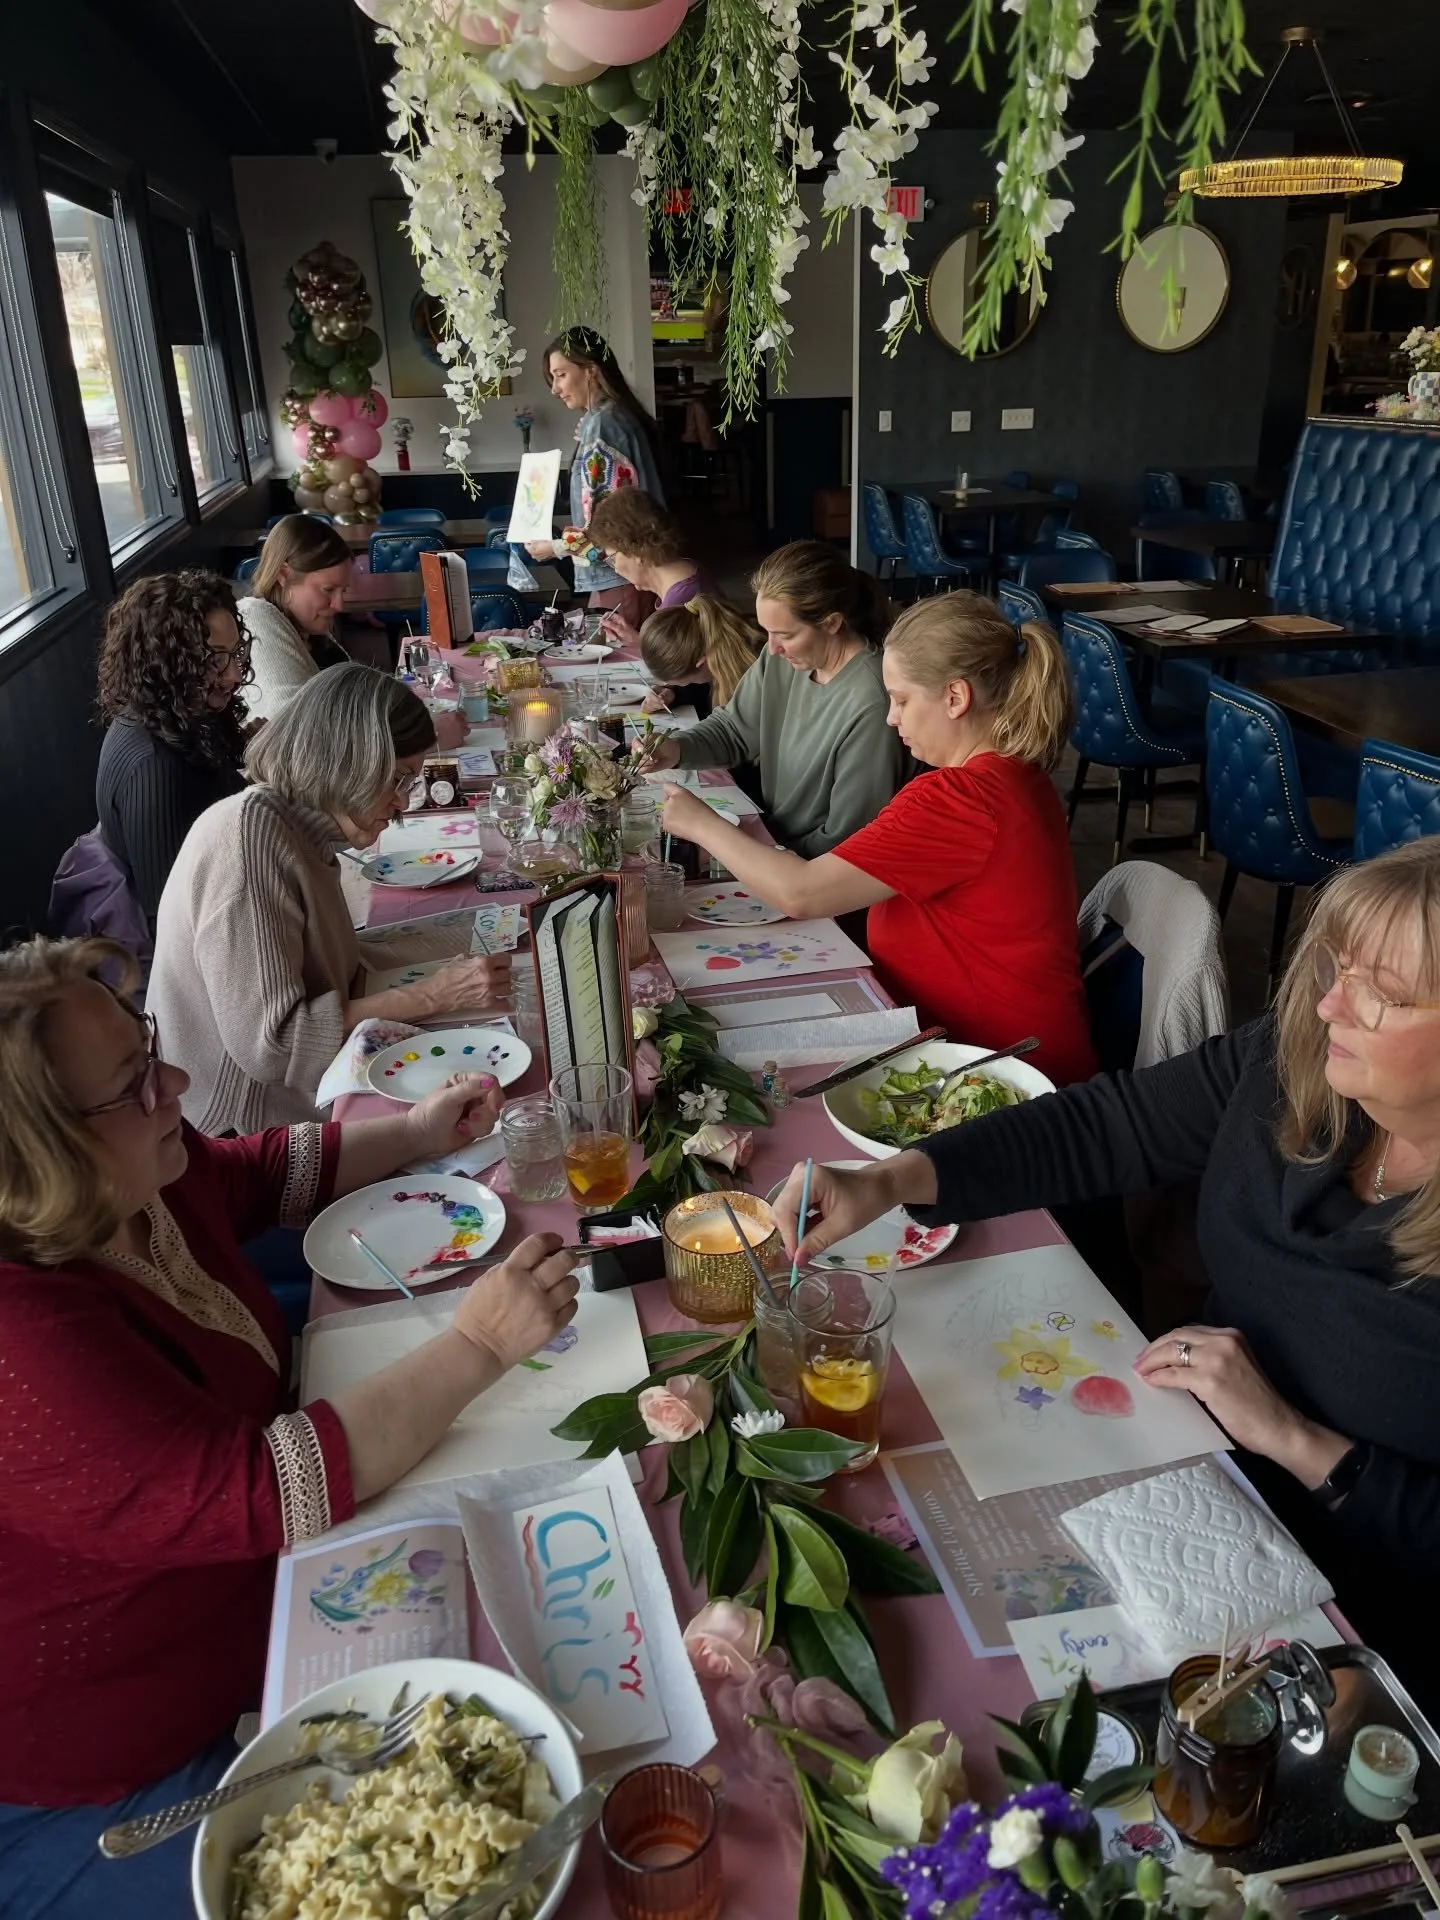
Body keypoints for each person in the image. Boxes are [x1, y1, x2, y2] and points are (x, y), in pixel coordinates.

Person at [774, 838, 1440, 1711]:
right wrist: (891, 1179)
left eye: (1379, 996)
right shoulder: (1296, 1063)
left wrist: (1296, 1439)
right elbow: (1108, 1127)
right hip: (1184, 1471)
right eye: (1337, 969)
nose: (1326, 1005)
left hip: (1346, 1613)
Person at [0, 935, 580, 1919]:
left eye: (150, 1048)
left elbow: (252, 1175)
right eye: (137, 1081)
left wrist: (419, 1132)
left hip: (272, 1602)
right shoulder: (22, 1343)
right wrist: (480, 1346)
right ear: (43, 1154)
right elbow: (260, 1492)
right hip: (125, 1760)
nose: (175, 1078)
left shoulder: (138, 1168)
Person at [658, 591, 1094, 1082]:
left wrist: (699, 823)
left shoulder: (959, 798)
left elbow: (801, 892)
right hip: (979, 1046)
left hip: (1001, 1070)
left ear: (955, 697)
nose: (891, 717)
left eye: (901, 699)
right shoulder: (1016, 775)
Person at [146, 664, 510, 1135]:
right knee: (483, 1117)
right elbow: (275, 1047)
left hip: (296, 1094)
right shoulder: (251, 837)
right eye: (398, 780)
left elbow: (343, 963)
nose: (404, 804)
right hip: (241, 1127)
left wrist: (487, 928)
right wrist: (432, 995)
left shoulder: (300, 828)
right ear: (350, 761)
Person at [646, 540, 906, 858]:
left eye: (785, 634)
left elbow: (847, 840)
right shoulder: (784, 660)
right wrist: (676, 749)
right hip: (775, 844)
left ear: (832, 623)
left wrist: (750, 855)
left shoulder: (872, 702)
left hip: (807, 866)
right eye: (767, 631)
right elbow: (734, 729)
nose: (771, 648)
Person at [93, 570, 250, 931]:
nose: (235, 675)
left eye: (235, 654)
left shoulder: (176, 715)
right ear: (167, 662)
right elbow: (173, 923)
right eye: (215, 661)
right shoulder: (155, 767)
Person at [524, 327, 664, 625]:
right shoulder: (611, 418)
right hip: (630, 571)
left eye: (561, 374)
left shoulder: (603, 425)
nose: (554, 388)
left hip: (619, 575)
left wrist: (555, 548)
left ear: (590, 371)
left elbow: (610, 526)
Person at [238, 514, 354, 723]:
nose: (339, 604)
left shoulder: (307, 629)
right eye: (328, 590)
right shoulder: (256, 618)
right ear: (283, 575)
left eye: (343, 591)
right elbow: (290, 722)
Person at [585, 489, 717, 651]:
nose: (616, 569)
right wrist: (638, 640)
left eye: (612, 558)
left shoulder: (680, 601)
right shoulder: (688, 570)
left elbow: (677, 669)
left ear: (636, 551)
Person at [639, 595, 764, 716]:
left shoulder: (751, 681)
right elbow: (703, 687)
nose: (687, 685)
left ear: (702, 663)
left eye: (685, 682)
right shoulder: (713, 642)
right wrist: (673, 694)